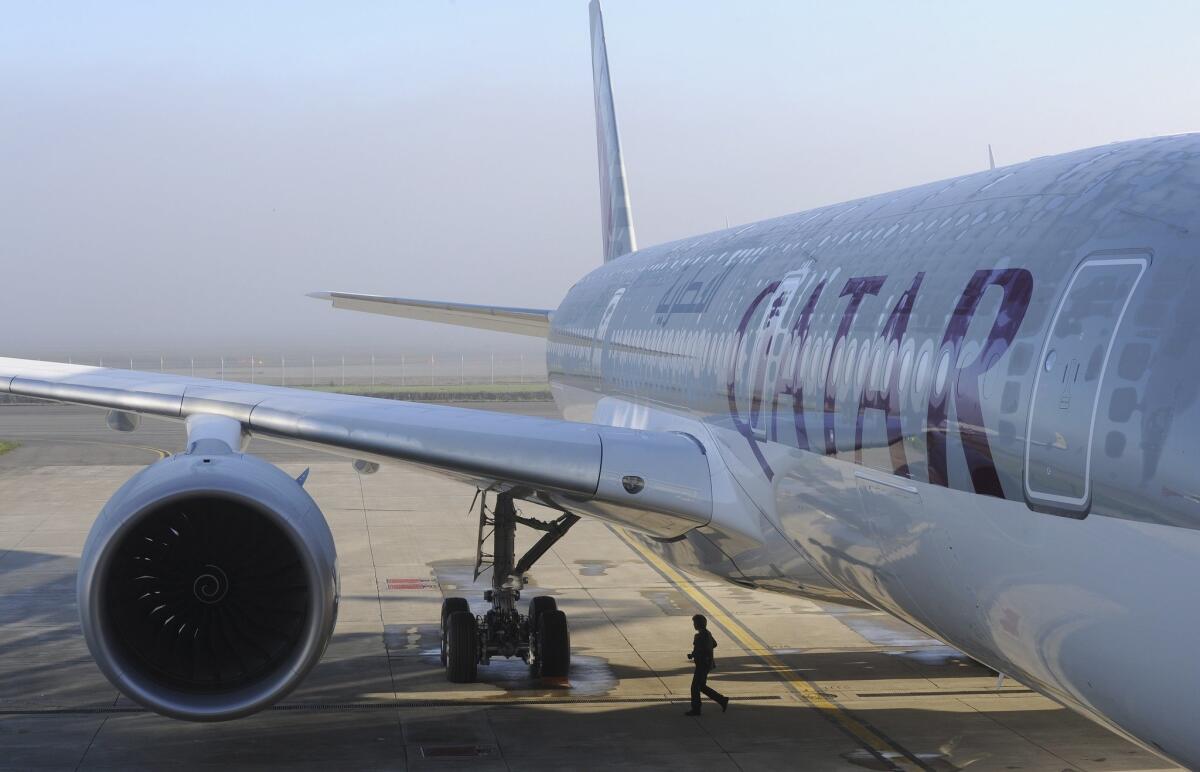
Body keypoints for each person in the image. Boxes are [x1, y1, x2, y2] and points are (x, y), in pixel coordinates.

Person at [684, 614, 729, 716]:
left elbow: (699, 649)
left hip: (702, 664)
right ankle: (722, 700)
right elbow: (714, 644)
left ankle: (696, 709)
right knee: (701, 686)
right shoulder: (708, 633)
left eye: (694, 623)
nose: (694, 625)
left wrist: (692, 655)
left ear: (698, 624)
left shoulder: (699, 636)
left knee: (695, 687)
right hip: (707, 664)